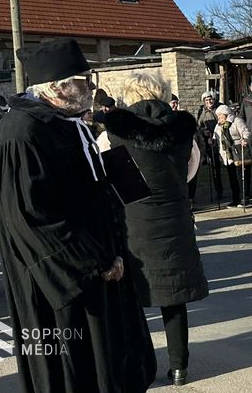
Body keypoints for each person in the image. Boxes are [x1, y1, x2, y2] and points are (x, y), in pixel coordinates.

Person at [0, 38, 156, 393]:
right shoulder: (23, 132)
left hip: (104, 266)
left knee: (110, 366)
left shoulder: (68, 123)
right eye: (84, 81)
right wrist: (94, 262)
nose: (92, 88)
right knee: (75, 369)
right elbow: (31, 216)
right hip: (66, 282)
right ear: (56, 86)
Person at [97, 72, 207, 386]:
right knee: (173, 297)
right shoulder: (183, 128)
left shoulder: (113, 132)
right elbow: (191, 166)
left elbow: (112, 179)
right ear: (161, 94)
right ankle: (179, 367)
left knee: (131, 297)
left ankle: (137, 364)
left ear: (129, 97)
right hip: (175, 216)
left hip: (135, 218)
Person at [214, 105, 252, 208]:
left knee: (242, 176)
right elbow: (216, 138)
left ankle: (244, 198)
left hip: (239, 151)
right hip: (227, 154)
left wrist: (245, 139)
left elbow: (246, 132)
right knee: (232, 177)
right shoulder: (218, 125)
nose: (219, 117)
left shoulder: (237, 121)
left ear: (226, 114)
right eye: (218, 115)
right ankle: (235, 198)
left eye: (220, 115)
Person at [195, 91, 225, 203]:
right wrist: (205, 133)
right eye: (206, 100)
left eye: (210, 99)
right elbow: (199, 126)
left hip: (222, 139)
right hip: (210, 142)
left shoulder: (220, 107)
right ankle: (219, 191)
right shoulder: (201, 111)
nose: (209, 102)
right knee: (215, 168)